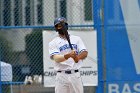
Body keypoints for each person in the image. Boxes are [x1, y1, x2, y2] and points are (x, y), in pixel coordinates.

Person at [49, 17, 88, 93]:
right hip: (61, 76)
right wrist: (69, 55)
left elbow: (84, 53)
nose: (61, 27)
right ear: (56, 28)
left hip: (75, 75)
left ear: (66, 25)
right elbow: (56, 58)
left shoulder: (76, 39)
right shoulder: (53, 42)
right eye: (59, 26)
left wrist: (77, 57)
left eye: (62, 25)